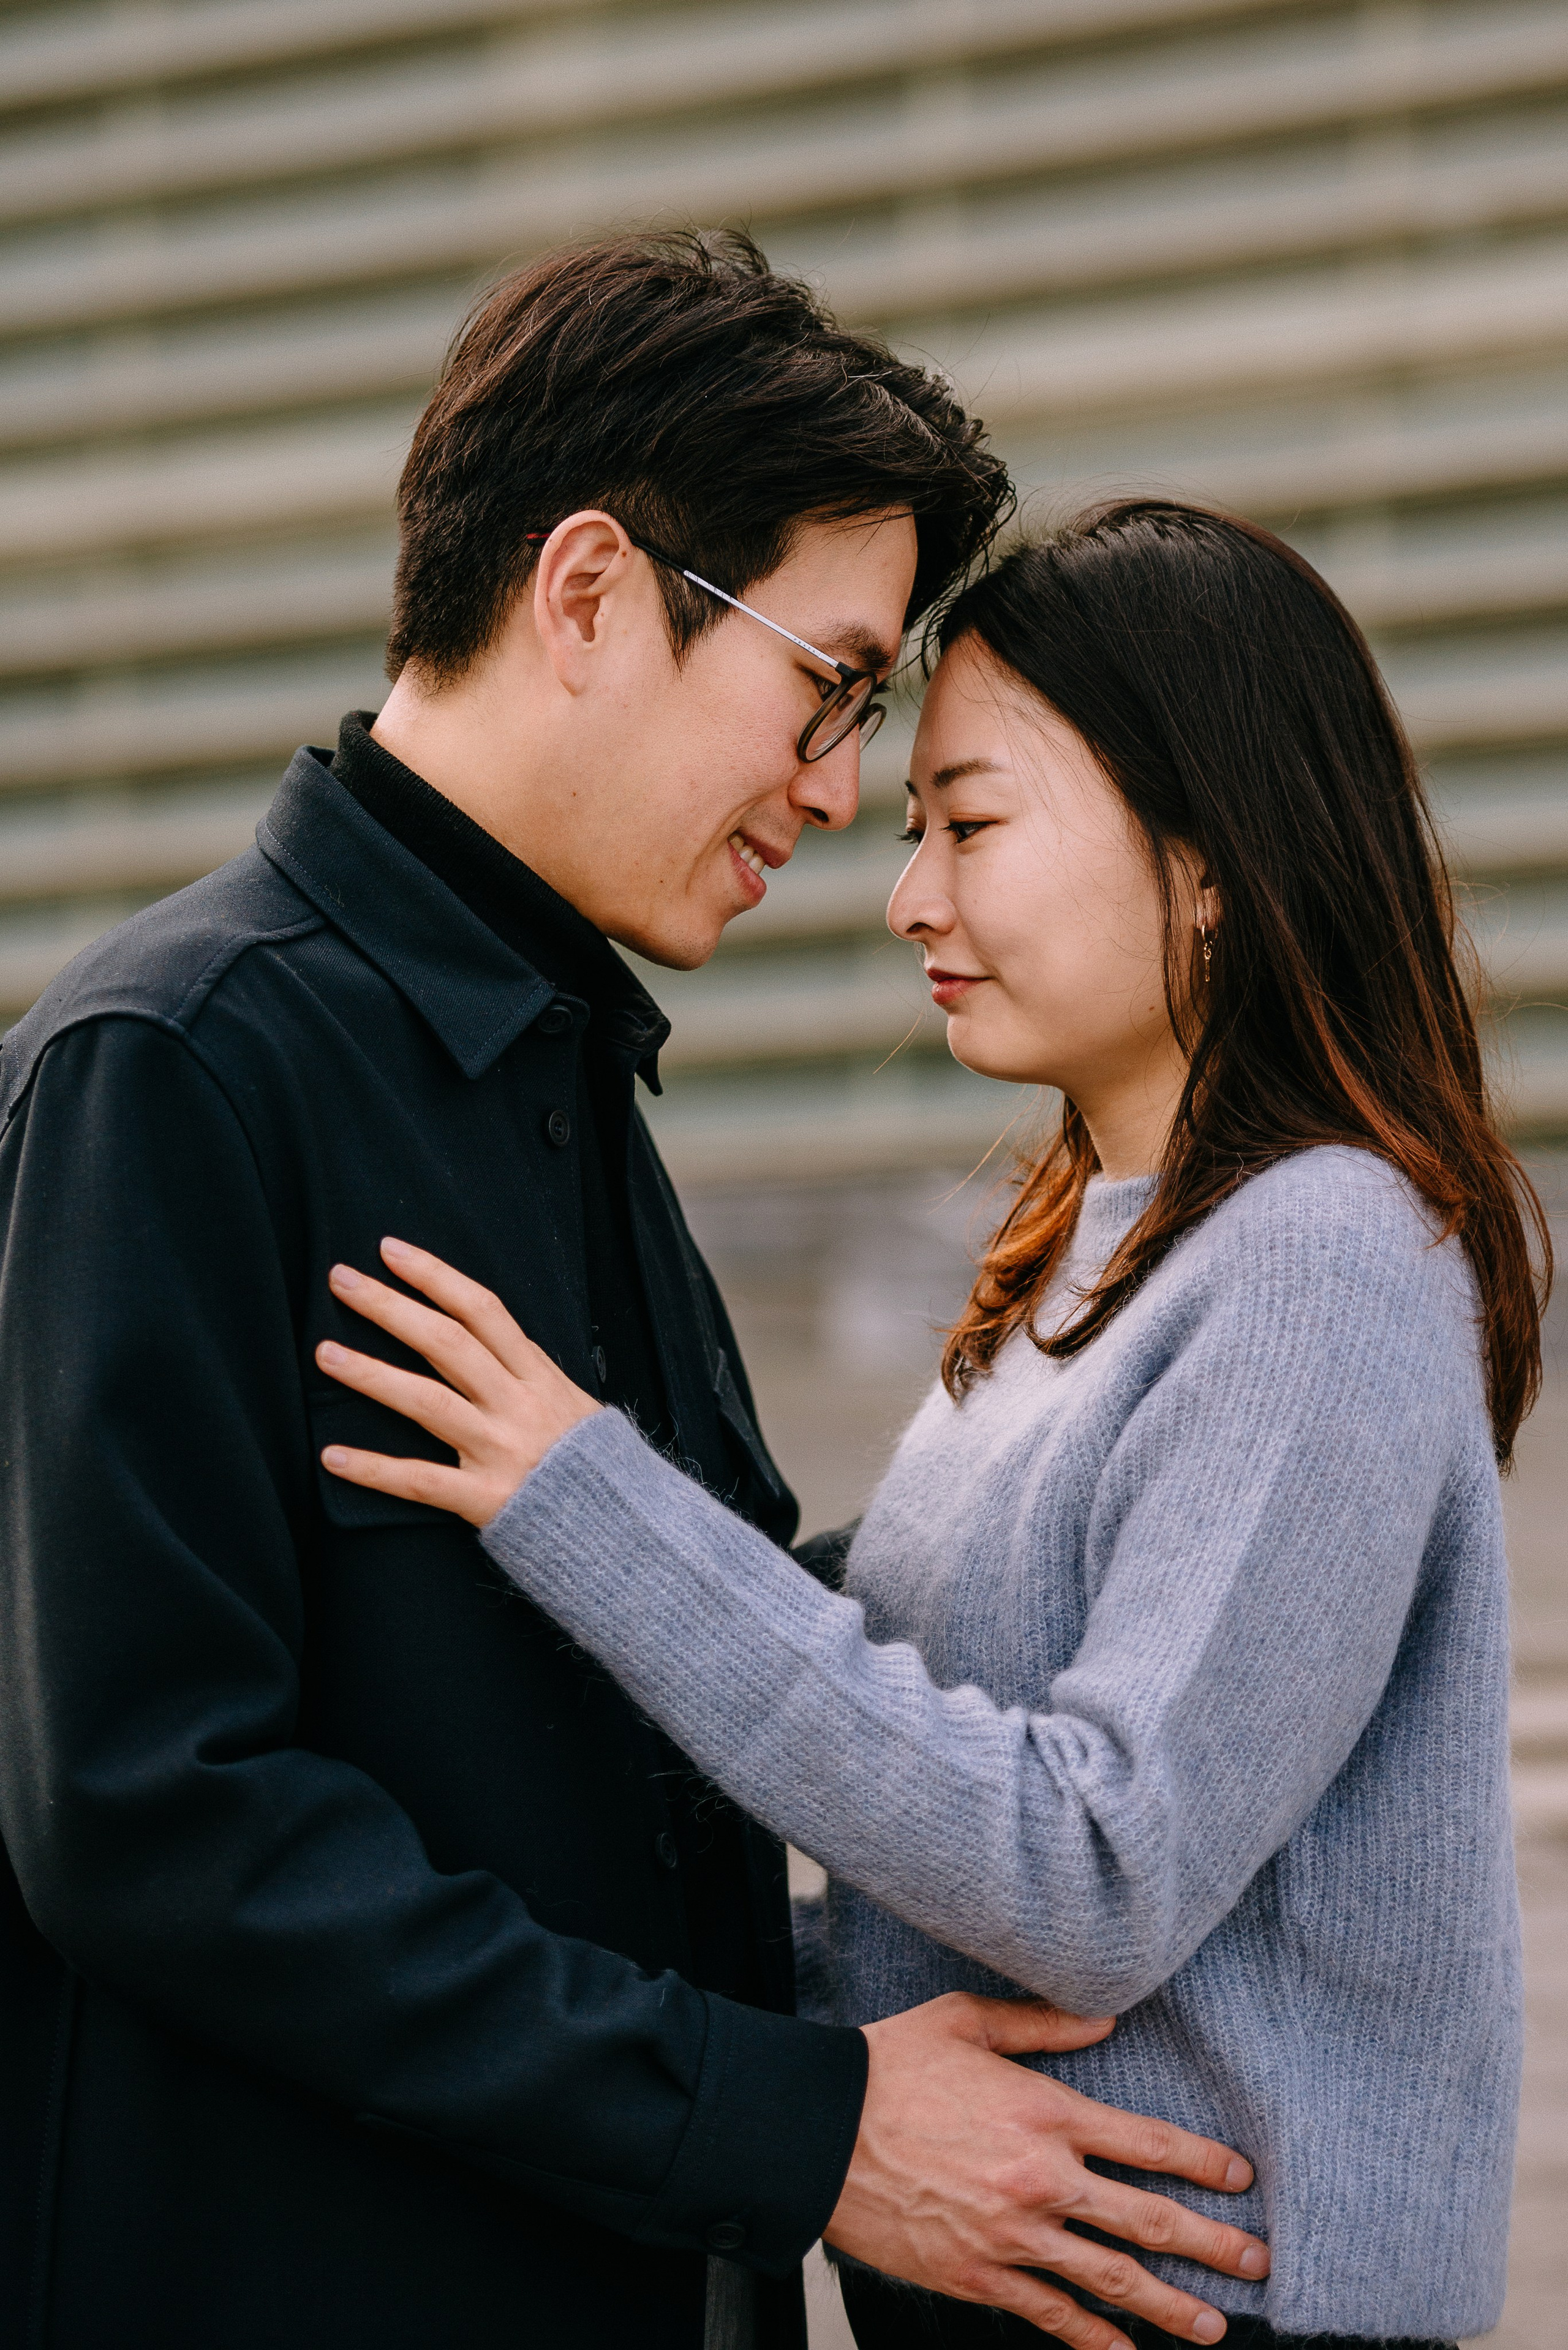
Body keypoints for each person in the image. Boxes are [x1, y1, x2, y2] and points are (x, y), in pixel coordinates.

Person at [0, 244, 1269, 2350]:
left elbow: (613, 1797)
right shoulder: (180, 1069)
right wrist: (803, 2125)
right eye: (827, 686)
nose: (842, 792)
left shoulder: (563, 1079)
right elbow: (153, 1823)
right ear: (587, 592)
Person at [314, 500, 1548, 2350]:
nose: (908, 899)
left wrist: (584, 1502)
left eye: (970, 824)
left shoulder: (1322, 1255)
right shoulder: (1095, 1255)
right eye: (912, 835)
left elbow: (1093, 1870)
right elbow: (934, 1845)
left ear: (1205, 859)